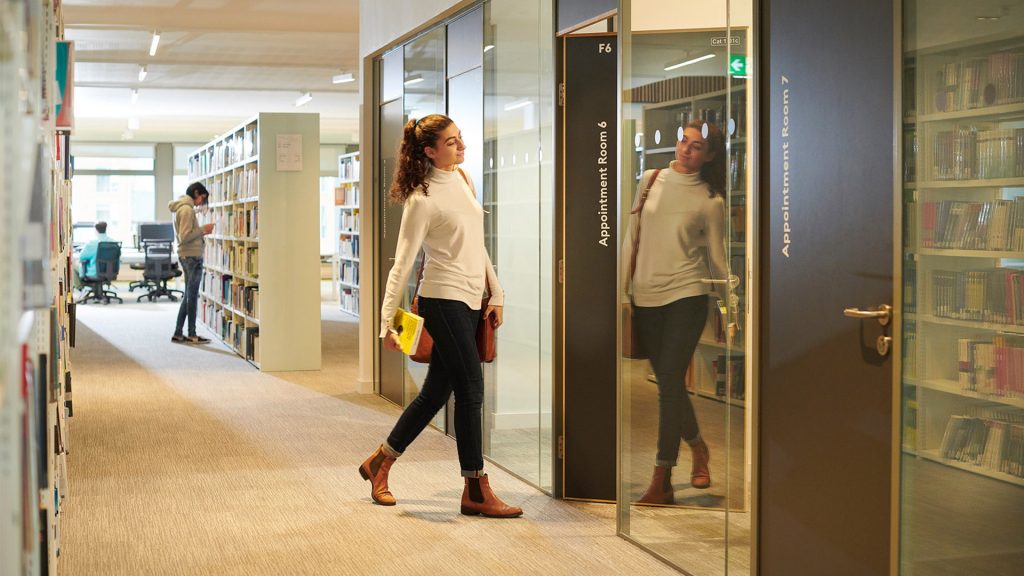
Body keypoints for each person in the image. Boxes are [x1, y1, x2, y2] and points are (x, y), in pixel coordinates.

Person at [359, 114, 522, 518]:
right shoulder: (422, 198)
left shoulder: (463, 181)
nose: (461, 146)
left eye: (460, 138)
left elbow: (477, 244)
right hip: (441, 299)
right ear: (429, 151)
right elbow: (402, 264)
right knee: (471, 389)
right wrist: (386, 324)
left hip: (471, 300)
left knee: (435, 393)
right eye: (451, 142)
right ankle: (475, 488)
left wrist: (496, 291)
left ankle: (380, 461)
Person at [623, 120, 732, 505]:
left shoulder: (710, 199)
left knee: (668, 379)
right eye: (683, 140)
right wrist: (622, 292)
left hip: (687, 295)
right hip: (646, 295)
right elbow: (631, 236)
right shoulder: (651, 179)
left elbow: (718, 259)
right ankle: (699, 448)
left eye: (697, 146)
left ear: (711, 155)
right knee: (671, 384)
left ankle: (661, 477)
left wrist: (731, 305)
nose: (686, 149)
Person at [168, 182, 215, 344]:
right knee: (192, 296)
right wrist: (203, 229)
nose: (202, 201)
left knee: (189, 295)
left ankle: (179, 332)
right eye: (202, 197)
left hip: (187, 255)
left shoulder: (182, 208)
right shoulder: (187, 210)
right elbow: (185, 236)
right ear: (196, 193)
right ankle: (192, 334)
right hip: (192, 256)